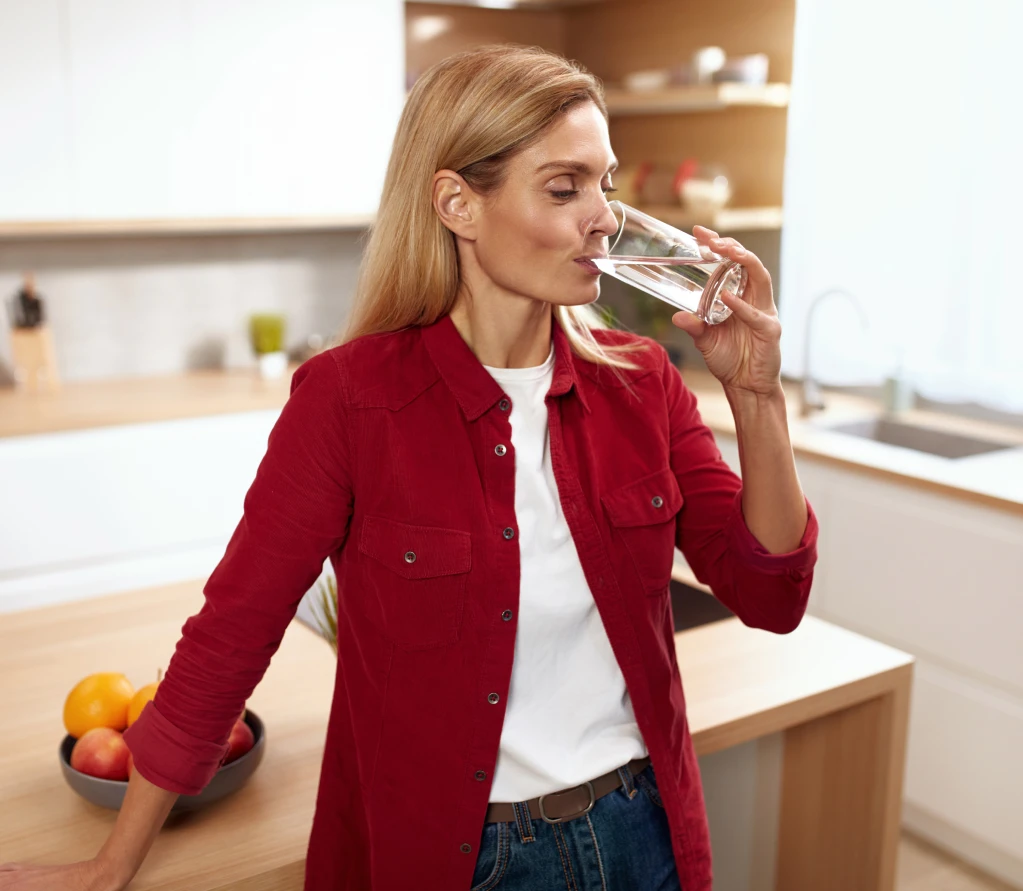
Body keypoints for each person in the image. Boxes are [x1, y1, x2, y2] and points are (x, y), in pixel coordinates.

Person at [0, 44, 817, 891]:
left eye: (604, 184)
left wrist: (754, 395)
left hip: (640, 836)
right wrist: (108, 868)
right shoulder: (348, 401)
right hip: (463, 860)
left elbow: (772, 596)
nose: (603, 217)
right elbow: (231, 635)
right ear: (458, 204)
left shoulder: (642, 383)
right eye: (563, 187)